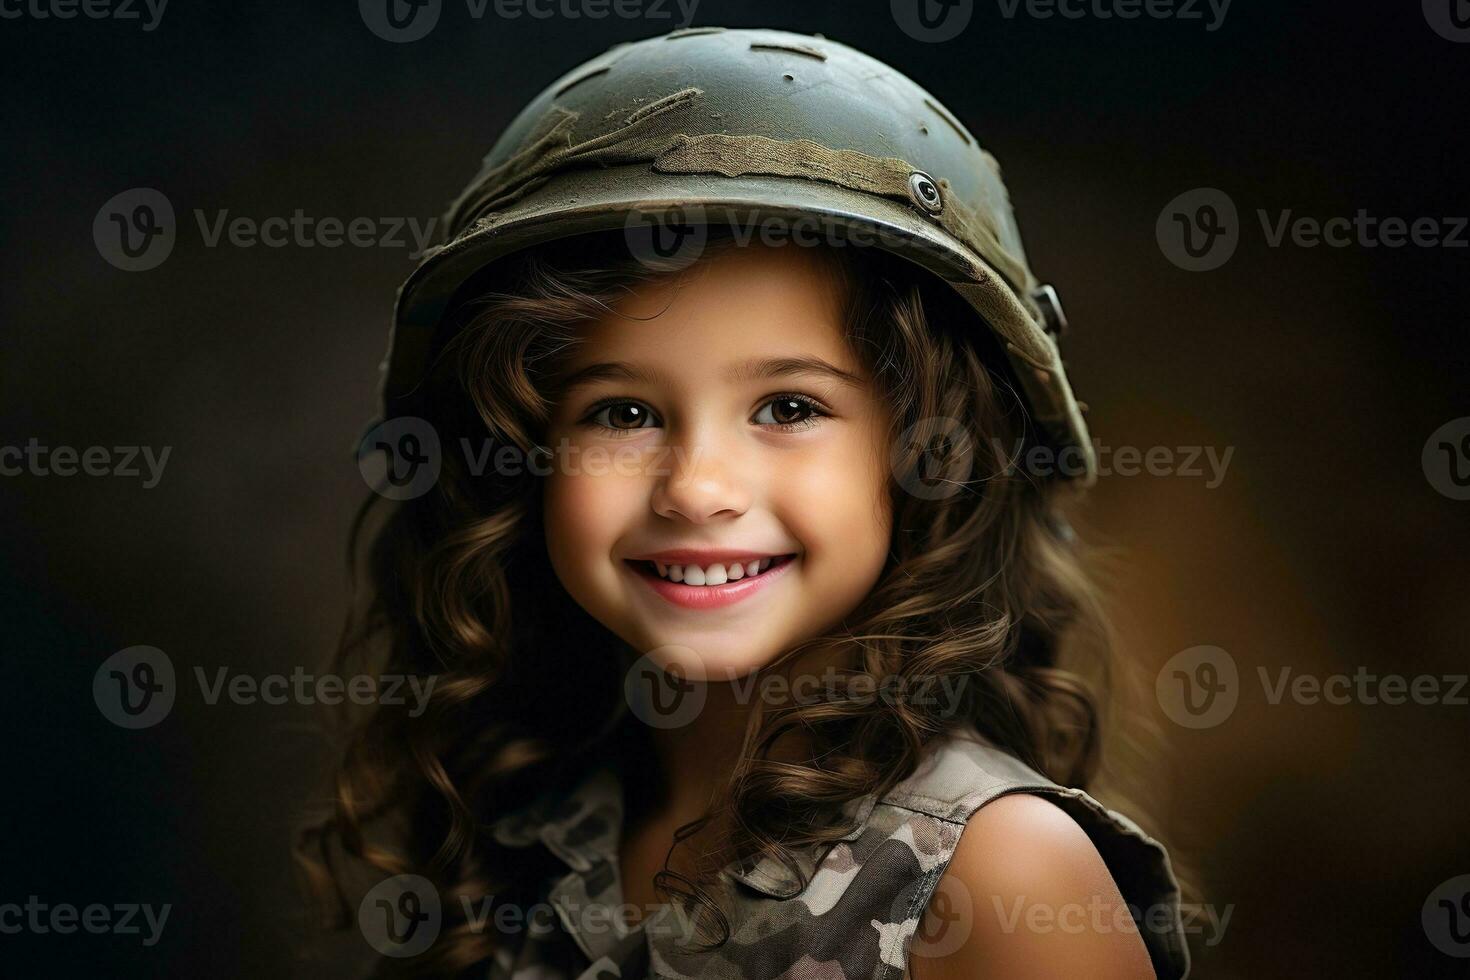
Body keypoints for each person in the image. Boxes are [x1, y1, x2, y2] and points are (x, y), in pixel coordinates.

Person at [297, 26, 1189, 980]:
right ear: (518, 457)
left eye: (790, 406)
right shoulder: (515, 824)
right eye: (624, 411)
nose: (697, 489)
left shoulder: (1002, 875)